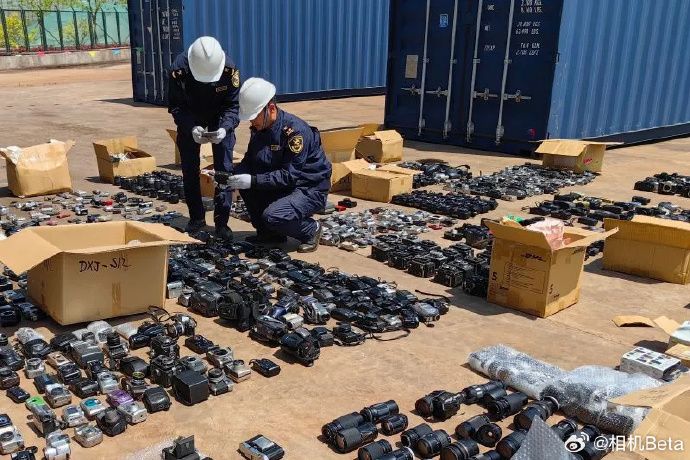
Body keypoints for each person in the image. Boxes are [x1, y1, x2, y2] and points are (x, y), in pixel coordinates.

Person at [228, 77, 332, 253]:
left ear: (270, 108)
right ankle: (270, 234)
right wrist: (232, 177)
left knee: (273, 215)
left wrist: (252, 180)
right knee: (246, 185)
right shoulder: (260, 129)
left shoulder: (295, 133)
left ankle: (311, 229)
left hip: (309, 188)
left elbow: (289, 176)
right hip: (284, 185)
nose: (251, 122)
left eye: (254, 117)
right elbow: (250, 160)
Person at [168, 36, 240, 240]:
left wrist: (225, 128)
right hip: (191, 117)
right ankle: (196, 218)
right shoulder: (178, 70)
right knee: (190, 169)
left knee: (224, 172)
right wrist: (191, 127)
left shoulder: (229, 69)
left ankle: (222, 223)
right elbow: (176, 106)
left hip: (219, 117)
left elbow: (232, 106)